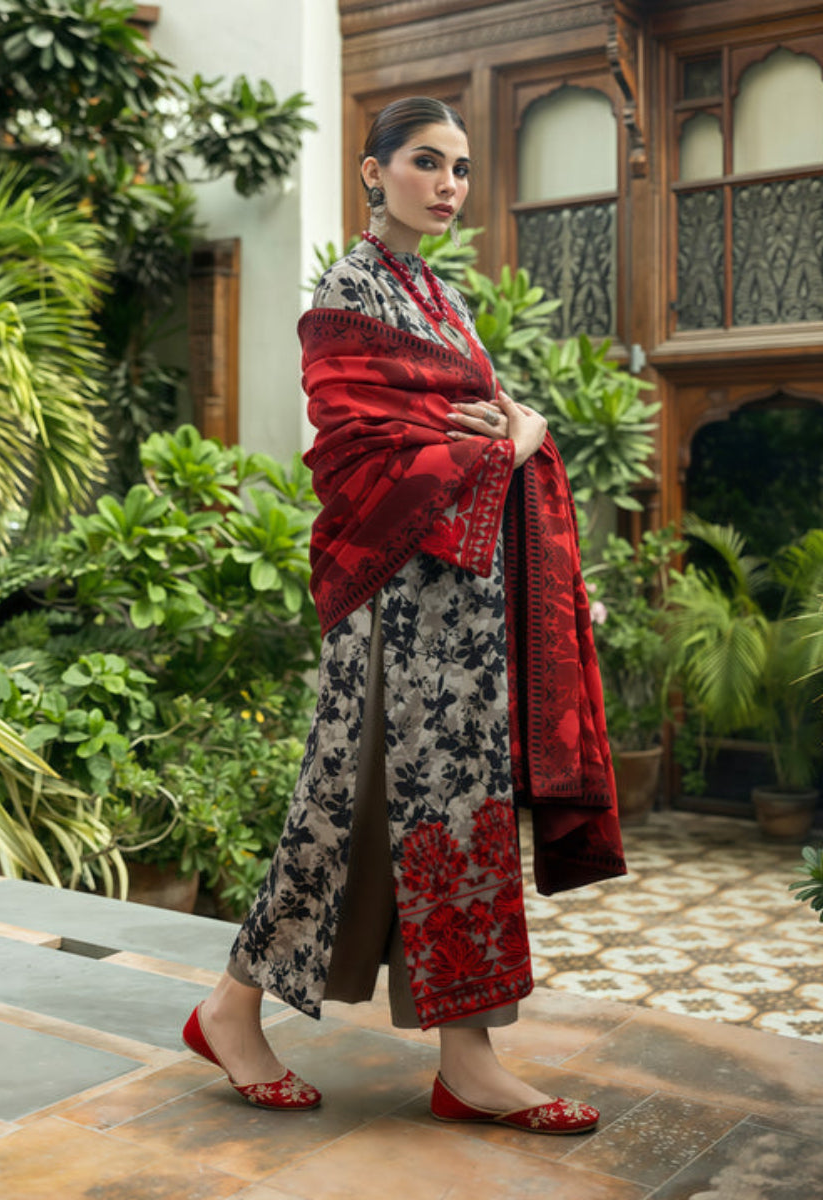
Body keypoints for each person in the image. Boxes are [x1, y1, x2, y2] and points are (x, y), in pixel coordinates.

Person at [182, 96, 626, 1134]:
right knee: (343, 814)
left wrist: (528, 436)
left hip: (462, 616)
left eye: (461, 169)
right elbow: (365, 457)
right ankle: (233, 1011)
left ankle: (463, 1059)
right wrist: (508, 442)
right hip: (390, 610)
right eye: (426, 163)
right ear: (374, 173)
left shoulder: (442, 296)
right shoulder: (350, 292)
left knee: (447, 821)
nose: (447, 185)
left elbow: (494, 420)